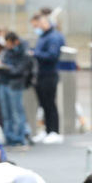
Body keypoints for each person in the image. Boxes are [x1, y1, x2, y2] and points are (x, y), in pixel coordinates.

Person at [30, 11, 64, 144]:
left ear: (43, 23)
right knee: (43, 104)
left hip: (49, 74)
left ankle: (54, 131)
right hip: (41, 74)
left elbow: (52, 55)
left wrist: (35, 53)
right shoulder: (44, 36)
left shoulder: (53, 37)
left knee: (50, 104)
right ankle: (47, 129)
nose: (35, 28)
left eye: (36, 25)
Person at [0, 32, 31, 147]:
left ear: (15, 42)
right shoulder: (6, 52)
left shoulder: (24, 53)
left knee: (16, 113)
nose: (8, 46)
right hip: (3, 83)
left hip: (15, 85)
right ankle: (8, 137)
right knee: (6, 113)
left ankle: (19, 138)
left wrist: (5, 67)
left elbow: (18, 70)